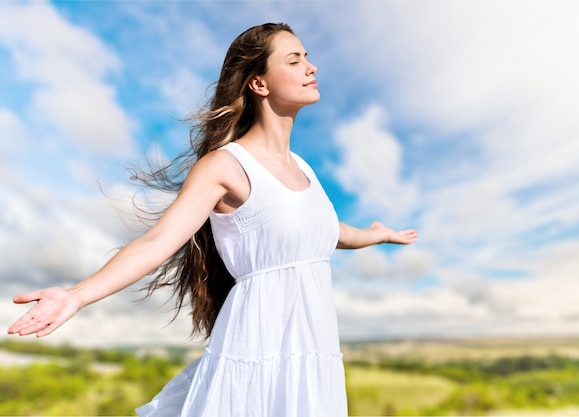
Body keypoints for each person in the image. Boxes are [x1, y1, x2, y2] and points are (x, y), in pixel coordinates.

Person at [7, 23, 417, 417]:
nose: (311, 67)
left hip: (312, 351)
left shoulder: (304, 168)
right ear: (259, 83)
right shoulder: (224, 166)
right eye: (294, 60)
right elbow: (157, 242)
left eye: (307, 57)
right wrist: (76, 296)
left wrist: (376, 235)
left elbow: (325, 232)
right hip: (258, 351)